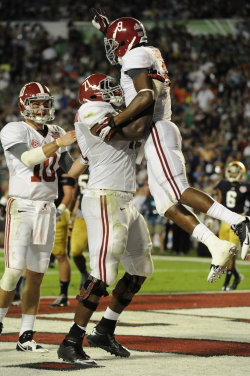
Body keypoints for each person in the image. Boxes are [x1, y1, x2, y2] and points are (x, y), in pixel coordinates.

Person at [91, 10, 250, 282]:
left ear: (125, 42)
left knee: (178, 189)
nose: (112, 49)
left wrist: (114, 122)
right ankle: (216, 245)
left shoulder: (135, 56)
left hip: (156, 128)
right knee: (165, 204)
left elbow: (144, 98)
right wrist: (108, 29)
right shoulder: (144, 52)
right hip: (155, 131)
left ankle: (238, 221)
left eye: (114, 42)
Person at [57, 73, 154, 366]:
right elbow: (135, 129)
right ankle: (71, 341)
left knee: (140, 268)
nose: (116, 93)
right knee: (103, 271)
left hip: (124, 196)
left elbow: (85, 158)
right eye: (109, 89)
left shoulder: (115, 113)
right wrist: (151, 95)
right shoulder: (90, 111)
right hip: (104, 196)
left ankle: (105, 328)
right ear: (94, 95)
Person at [0, 81, 78, 351]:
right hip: (21, 206)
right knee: (12, 273)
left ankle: (26, 335)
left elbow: (70, 170)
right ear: (24, 105)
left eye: (46, 102)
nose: (42, 107)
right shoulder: (14, 129)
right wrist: (58, 143)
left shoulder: (55, 131)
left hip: (47, 208)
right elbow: (27, 158)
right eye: (36, 102)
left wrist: (96, 152)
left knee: (36, 275)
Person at [215, 161, 250, 291]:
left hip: (237, 219)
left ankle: (226, 283)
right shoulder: (223, 184)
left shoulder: (245, 186)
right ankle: (237, 276)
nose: (234, 174)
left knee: (231, 252)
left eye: (236, 171)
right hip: (224, 219)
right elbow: (218, 202)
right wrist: (212, 219)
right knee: (224, 252)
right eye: (232, 171)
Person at [50, 168, 75, 307]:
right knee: (27, 253)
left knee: (60, 255)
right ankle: (17, 292)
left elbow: (68, 194)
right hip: (37, 211)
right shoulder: (37, 160)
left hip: (56, 213)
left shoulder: (62, 167)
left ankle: (63, 294)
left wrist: (58, 211)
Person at [70, 173, 89, 290]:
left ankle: (99, 282)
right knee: (75, 250)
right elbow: (76, 191)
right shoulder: (83, 165)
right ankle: (84, 273)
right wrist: (70, 211)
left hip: (102, 215)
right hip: (82, 214)